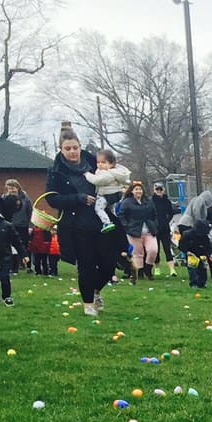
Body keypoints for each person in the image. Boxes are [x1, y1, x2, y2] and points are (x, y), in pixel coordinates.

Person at [46, 124, 121, 317]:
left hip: (101, 222)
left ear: (80, 147)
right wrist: (77, 199)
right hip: (76, 226)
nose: (72, 152)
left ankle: (96, 290)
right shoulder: (56, 171)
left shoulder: (96, 163)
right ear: (61, 150)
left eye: (75, 148)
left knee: (109, 264)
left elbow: (113, 186)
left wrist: (113, 197)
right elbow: (52, 199)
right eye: (67, 148)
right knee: (86, 265)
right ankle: (88, 303)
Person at [117, 180, 159, 283]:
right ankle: (139, 272)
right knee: (137, 253)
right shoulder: (127, 202)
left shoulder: (148, 201)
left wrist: (154, 224)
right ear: (132, 191)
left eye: (140, 189)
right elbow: (121, 215)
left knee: (153, 250)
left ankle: (148, 269)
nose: (138, 191)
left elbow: (154, 214)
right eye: (136, 189)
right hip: (134, 231)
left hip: (149, 230)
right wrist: (126, 226)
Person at [84, 150, 130, 231]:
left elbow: (97, 180)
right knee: (111, 209)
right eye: (98, 162)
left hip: (106, 195)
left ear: (111, 164)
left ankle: (107, 223)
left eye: (103, 162)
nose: (100, 164)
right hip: (115, 195)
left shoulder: (108, 174)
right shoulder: (116, 173)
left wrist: (87, 174)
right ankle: (115, 220)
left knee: (99, 209)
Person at [151, 183, 177, 273]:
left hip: (165, 228)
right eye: (157, 190)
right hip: (155, 228)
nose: (159, 191)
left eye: (160, 190)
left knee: (167, 248)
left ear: (163, 190)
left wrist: (166, 220)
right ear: (154, 190)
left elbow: (171, 212)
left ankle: (172, 269)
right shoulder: (151, 201)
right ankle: (157, 268)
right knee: (156, 249)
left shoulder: (167, 201)